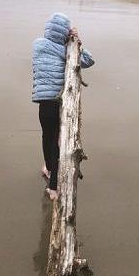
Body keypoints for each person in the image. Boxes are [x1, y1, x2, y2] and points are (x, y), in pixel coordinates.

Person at [32, 12, 95, 201]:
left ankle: (48, 168)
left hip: (43, 102)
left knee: (46, 135)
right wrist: (77, 41)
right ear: (65, 33)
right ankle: (53, 188)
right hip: (59, 103)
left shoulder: (38, 44)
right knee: (57, 143)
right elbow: (88, 61)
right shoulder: (65, 49)